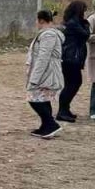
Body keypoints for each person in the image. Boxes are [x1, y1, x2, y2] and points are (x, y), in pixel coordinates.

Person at [26, 9, 65, 139]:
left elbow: (43, 57)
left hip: (47, 73)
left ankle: (51, 124)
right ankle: (46, 125)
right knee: (43, 99)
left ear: (41, 20)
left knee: (34, 99)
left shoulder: (49, 35)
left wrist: (34, 78)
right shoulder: (46, 34)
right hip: (46, 72)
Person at [56, 0, 89, 122]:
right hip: (71, 57)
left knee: (72, 84)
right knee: (73, 84)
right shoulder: (73, 23)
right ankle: (62, 110)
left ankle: (65, 108)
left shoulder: (71, 22)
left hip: (70, 57)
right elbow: (85, 35)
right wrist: (86, 23)